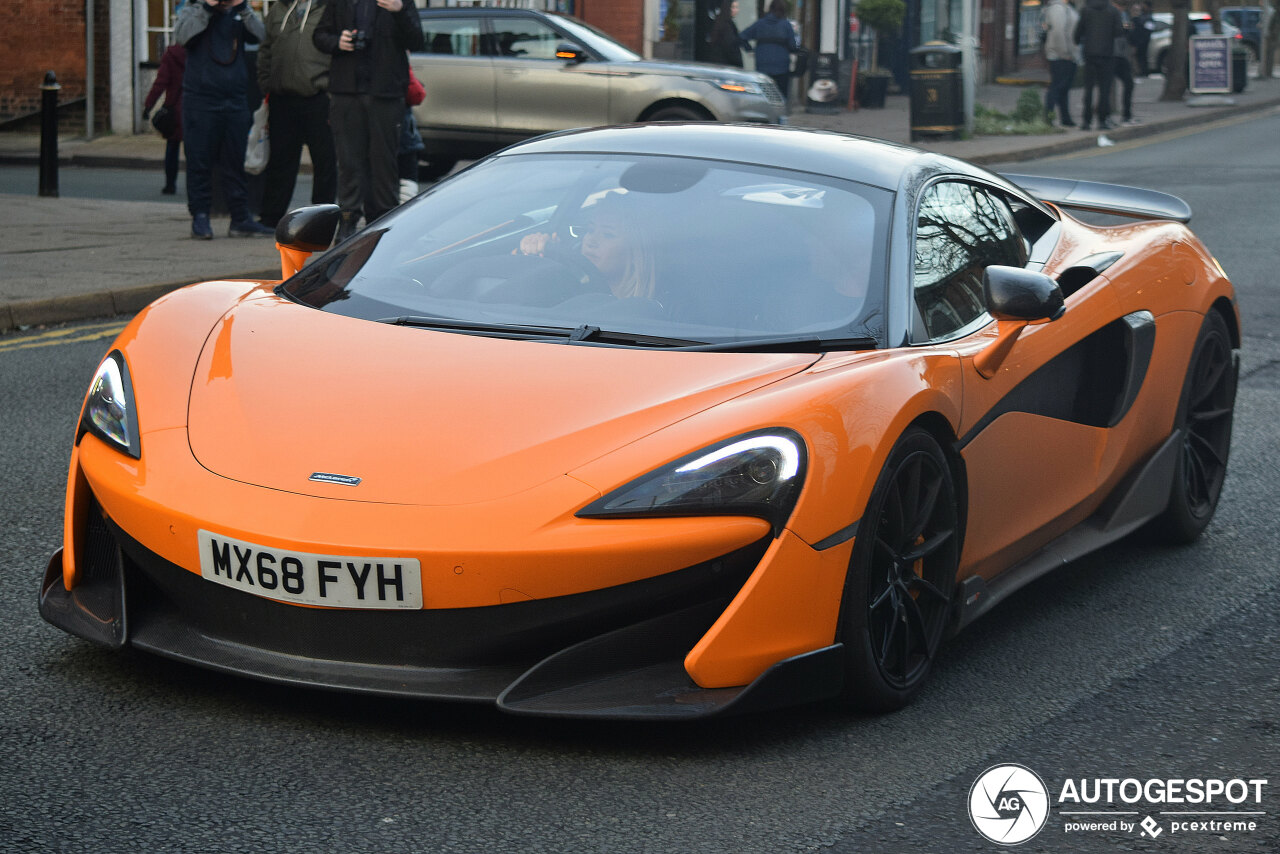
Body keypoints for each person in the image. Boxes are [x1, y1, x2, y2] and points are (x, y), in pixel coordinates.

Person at [313, 0, 424, 244]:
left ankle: (383, 224)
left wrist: (400, 11)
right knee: (349, 161)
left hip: (385, 92)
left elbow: (417, 40)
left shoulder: (399, 1)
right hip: (346, 90)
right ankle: (348, 220)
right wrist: (337, 41)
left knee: (383, 162)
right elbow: (319, 36)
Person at [174, 0, 275, 239]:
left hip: (234, 99)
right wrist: (208, 7)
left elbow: (262, 36)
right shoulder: (192, 10)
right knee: (199, 161)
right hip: (201, 100)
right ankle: (200, 217)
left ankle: (240, 218)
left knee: (235, 161)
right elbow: (183, 37)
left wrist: (242, 8)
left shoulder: (238, 14)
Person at [256, 0, 338, 229]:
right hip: (282, 98)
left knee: (325, 162)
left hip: (319, 97)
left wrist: (333, 93)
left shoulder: (329, 8)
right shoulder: (278, 9)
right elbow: (266, 49)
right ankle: (270, 217)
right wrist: (266, 83)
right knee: (280, 161)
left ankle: (320, 221)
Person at [518, 198, 657, 300]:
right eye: (590, 230)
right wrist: (541, 252)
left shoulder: (650, 314)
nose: (591, 241)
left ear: (635, 253)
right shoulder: (570, 286)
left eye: (608, 235)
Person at [142, 43, 186, 195]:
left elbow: (160, 83)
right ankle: (195, 185)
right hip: (194, 108)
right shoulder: (198, 52)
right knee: (194, 151)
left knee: (172, 147)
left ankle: (170, 184)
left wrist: (148, 105)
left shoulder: (171, 55)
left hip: (174, 109)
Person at [1074, 0, 1123, 130]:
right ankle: (1102, 120)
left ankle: (1086, 121)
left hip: (1090, 53)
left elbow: (1079, 30)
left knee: (1088, 89)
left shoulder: (1086, 10)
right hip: (1107, 54)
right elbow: (1119, 31)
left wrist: (1077, 40)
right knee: (1104, 90)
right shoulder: (1113, 11)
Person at [740, 0, 799, 104]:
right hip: (782, 65)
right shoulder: (786, 25)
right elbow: (793, 46)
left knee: (763, 93)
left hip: (763, 64)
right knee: (781, 95)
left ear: (770, 9)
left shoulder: (760, 24)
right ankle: (780, 114)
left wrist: (750, 49)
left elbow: (742, 36)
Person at [1042, 0, 1079, 127]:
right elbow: (1058, 32)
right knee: (1057, 86)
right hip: (1061, 55)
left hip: (1068, 55)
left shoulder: (1065, 7)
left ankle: (1065, 117)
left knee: (1063, 88)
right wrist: (1065, 53)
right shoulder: (1057, 8)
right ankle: (1048, 117)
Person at [1112, 0, 1137, 125]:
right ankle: (1119, 115)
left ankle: (1127, 114)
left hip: (1120, 54)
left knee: (1129, 83)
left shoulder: (1124, 14)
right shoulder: (1112, 13)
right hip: (1114, 54)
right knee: (1107, 85)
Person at [706, 1, 744, 68]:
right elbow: (730, 46)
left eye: (737, 7)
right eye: (733, 7)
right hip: (726, 65)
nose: (735, 10)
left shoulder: (723, 23)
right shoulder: (726, 26)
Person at [1129, 2, 1153, 76]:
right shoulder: (1141, 18)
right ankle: (1142, 71)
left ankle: (1142, 71)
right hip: (1140, 41)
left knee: (1141, 57)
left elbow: (1146, 30)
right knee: (1140, 57)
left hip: (1141, 41)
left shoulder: (1145, 18)